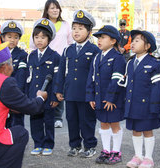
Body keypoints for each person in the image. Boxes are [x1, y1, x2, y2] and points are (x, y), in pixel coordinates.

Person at [0, 42, 47, 168]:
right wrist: (40, 98)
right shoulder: (4, 83)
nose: (12, 68)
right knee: (20, 134)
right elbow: (33, 108)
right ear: (5, 67)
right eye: (11, 64)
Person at [55, 10, 99, 158]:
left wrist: (94, 93)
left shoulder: (94, 50)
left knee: (87, 121)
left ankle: (90, 145)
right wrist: (59, 89)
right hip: (71, 92)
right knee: (72, 120)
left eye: (80, 29)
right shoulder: (68, 50)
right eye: (74, 28)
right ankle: (75, 145)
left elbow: (95, 75)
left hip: (86, 94)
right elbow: (61, 71)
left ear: (89, 32)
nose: (76, 32)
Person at [118, 30, 160, 168]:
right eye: (133, 40)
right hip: (132, 103)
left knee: (147, 129)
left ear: (147, 46)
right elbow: (126, 85)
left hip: (147, 104)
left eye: (137, 41)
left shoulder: (154, 63)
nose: (133, 43)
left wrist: (154, 105)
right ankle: (138, 156)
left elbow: (157, 87)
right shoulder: (130, 63)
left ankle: (148, 158)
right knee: (135, 129)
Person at [30, 0, 73, 128]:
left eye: (57, 8)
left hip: (60, 60)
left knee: (59, 85)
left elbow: (71, 42)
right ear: (46, 10)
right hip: (44, 60)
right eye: (52, 8)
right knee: (43, 86)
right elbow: (33, 44)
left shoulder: (65, 24)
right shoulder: (40, 24)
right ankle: (41, 112)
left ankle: (58, 117)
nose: (55, 10)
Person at [86, 25, 126, 164]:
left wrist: (110, 98)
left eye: (103, 37)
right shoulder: (97, 57)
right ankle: (106, 150)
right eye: (98, 38)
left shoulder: (118, 58)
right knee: (103, 124)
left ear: (113, 41)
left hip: (113, 99)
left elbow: (116, 80)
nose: (99, 40)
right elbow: (91, 79)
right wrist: (91, 97)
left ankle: (116, 152)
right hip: (99, 98)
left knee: (114, 124)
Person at [27, 18, 60, 156]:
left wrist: (55, 96)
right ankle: (38, 143)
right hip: (34, 96)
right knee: (35, 121)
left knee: (48, 121)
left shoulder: (55, 56)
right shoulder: (32, 56)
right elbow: (29, 77)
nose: (39, 40)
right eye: (36, 37)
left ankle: (48, 144)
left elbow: (57, 79)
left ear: (49, 38)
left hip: (48, 96)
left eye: (43, 37)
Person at [0, 20, 28, 127]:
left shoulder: (22, 55)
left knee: (17, 120)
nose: (12, 40)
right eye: (9, 36)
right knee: (1, 120)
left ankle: (17, 141)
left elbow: (21, 76)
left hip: (15, 92)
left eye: (16, 37)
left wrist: (19, 94)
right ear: (3, 38)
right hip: (0, 92)